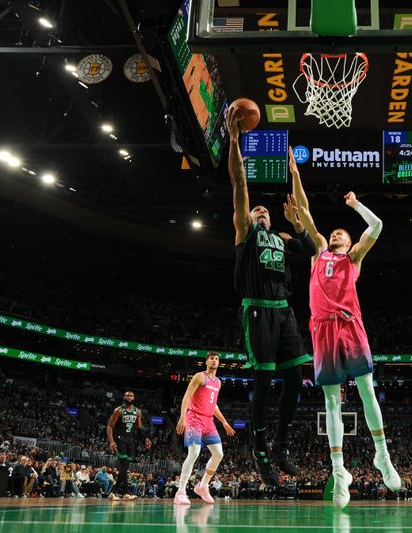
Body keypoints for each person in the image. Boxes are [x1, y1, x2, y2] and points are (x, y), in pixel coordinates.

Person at [289, 157, 400, 509]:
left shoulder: (353, 258)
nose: (336, 233)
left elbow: (378, 224)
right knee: (330, 401)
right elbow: (304, 211)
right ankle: (339, 472)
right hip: (321, 329)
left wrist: (355, 205)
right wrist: (295, 175)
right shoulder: (319, 252)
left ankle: (382, 455)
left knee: (366, 388)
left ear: (350, 241)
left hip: (350, 325)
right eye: (334, 231)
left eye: (343, 232)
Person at [226, 108, 317, 485]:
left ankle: (280, 444)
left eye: (265, 210)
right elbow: (239, 187)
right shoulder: (245, 235)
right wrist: (234, 142)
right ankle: (259, 446)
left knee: (295, 378)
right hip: (258, 311)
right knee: (264, 380)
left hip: (285, 311)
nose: (261, 211)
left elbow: (312, 245)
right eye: (257, 210)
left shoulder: (281, 239)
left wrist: (296, 208)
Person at [174, 352, 236, 505]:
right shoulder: (199, 376)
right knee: (194, 452)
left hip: (208, 421)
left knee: (218, 454)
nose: (214, 360)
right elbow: (187, 396)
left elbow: (213, 405)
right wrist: (183, 417)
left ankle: (202, 486)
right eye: (211, 358)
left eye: (216, 359)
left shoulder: (218, 383)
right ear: (206, 362)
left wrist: (224, 422)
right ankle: (180, 491)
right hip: (194, 418)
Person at [107, 391, 151, 501]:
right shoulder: (118, 410)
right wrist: (111, 441)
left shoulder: (137, 411)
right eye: (127, 395)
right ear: (124, 397)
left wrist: (145, 438)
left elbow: (139, 429)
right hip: (120, 439)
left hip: (131, 441)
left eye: (131, 395)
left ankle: (122, 493)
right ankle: (117, 492)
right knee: (124, 467)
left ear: (134, 397)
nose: (129, 397)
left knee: (125, 468)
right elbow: (109, 426)